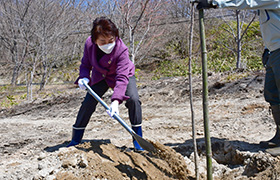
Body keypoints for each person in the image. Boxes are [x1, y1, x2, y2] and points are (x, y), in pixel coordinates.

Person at [196, 0, 280, 155]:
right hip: (274, 51)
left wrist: (214, 2)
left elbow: (247, 1)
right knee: (272, 94)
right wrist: (268, 48)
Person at [67, 17, 144, 152]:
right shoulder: (89, 45)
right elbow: (85, 64)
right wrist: (84, 77)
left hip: (124, 75)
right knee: (88, 103)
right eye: (102, 41)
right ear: (94, 39)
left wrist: (115, 101)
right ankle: (76, 139)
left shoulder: (122, 50)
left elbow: (121, 78)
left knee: (133, 100)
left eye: (111, 40)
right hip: (101, 76)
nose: (107, 44)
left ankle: (138, 139)